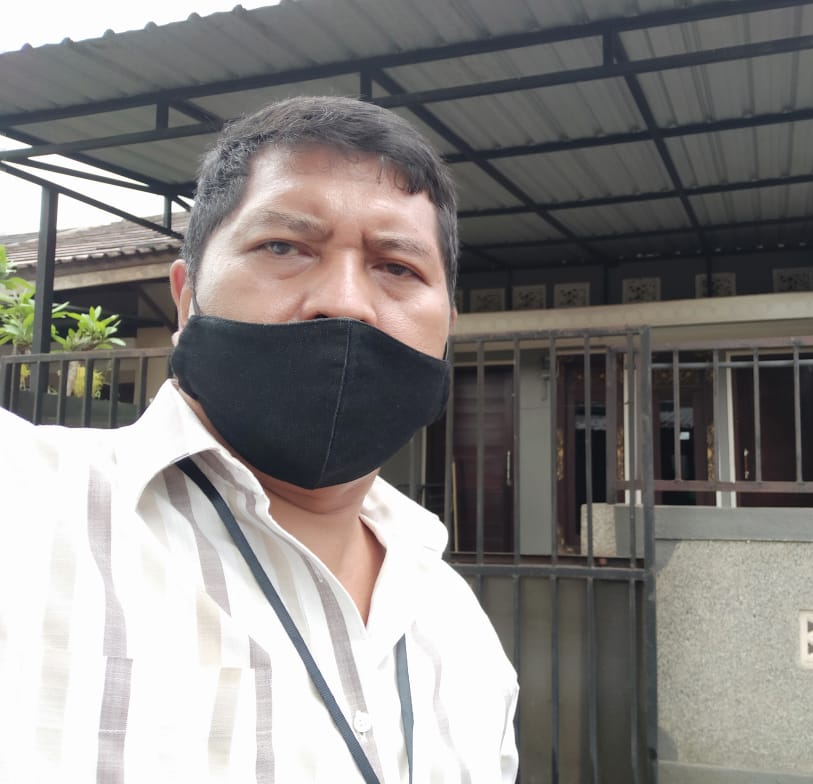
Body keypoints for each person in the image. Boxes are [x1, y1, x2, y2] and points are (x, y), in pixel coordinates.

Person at [0, 96, 518, 782]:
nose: (345, 303)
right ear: (186, 299)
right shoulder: (26, 506)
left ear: (446, 325)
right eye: (284, 247)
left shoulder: (464, 636)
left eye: (397, 267)